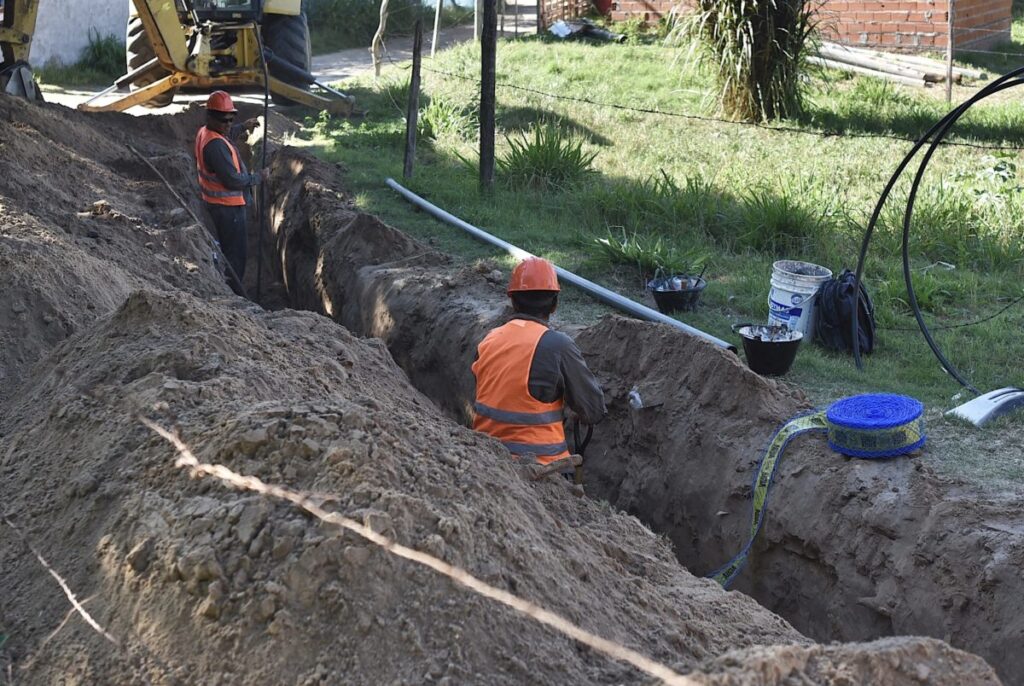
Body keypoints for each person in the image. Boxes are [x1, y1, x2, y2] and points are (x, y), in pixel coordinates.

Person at [472, 257, 606, 466]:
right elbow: (593, 411)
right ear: (554, 304)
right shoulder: (558, 345)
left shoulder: (488, 340)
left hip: (485, 458)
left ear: (513, 301)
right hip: (544, 469)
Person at [194, 90, 265, 294]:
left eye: (231, 119)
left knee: (231, 251)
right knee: (235, 254)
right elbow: (233, 180)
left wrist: (243, 127)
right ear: (211, 117)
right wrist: (259, 177)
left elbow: (227, 134)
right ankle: (236, 294)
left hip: (219, 206)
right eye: (224, 120)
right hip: (227, 210)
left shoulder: (209, 132)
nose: (228, 124)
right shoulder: (215, 146)